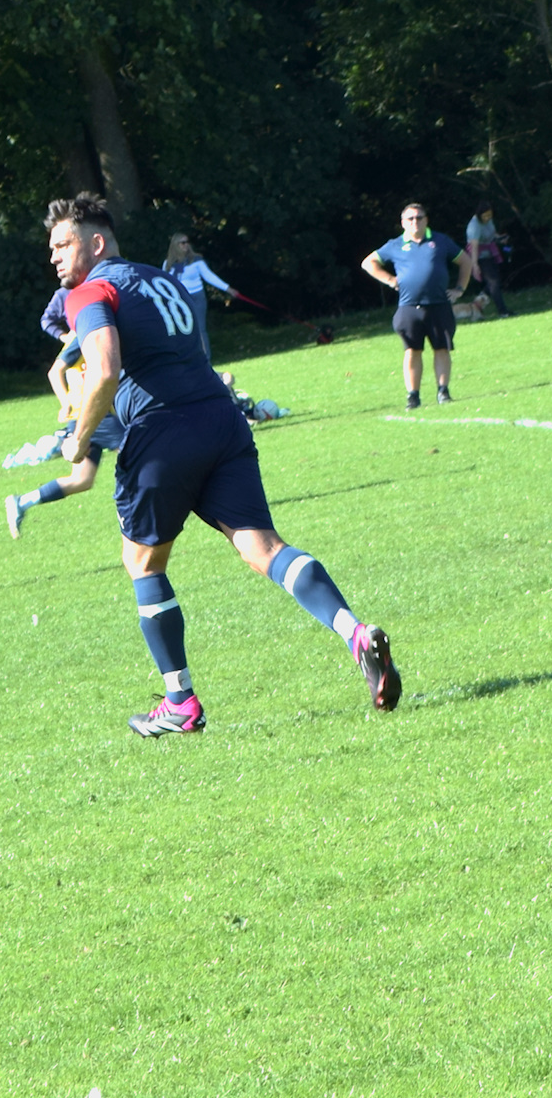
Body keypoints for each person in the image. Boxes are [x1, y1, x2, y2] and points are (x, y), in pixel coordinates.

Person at [47, 192, 400, 734]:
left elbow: (105, 369)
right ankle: (354, 632)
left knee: (144, 564)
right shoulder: (160, 279)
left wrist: (79, 436)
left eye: (63, 243)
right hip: (221, 418)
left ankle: (180, 703)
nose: (55, 256)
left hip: (162, 432)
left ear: (95, 243)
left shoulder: (91, 290)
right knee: (264, 546)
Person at [5, 286, 125, 538]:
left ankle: (22, 502)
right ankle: (135, 511)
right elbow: (55, 371)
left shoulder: (102, 331)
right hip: (91, 411)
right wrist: (65, 403)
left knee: (82, 480)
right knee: (138, 453)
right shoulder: (83, 334)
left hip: (90, 413)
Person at [361, 202, 471, 408]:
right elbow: (368, 263)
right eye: (410, 219)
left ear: (426, 220)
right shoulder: (395, 245)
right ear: (403, 223)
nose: (415, 222)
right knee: (412, 351)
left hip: (439, 305)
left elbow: (465, 261)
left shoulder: (440, 241)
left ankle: (443, 392)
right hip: (409, 307)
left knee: (442, 349)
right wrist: (390, 280)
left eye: (419, 217)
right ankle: (413, 396)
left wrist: (459, 289)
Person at [162, 232, 237, 362]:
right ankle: (188, 359)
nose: (186, 245)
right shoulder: (168, 264)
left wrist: (227, 288)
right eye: (182, 243)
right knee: (182, 330)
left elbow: (209, 276)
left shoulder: (196, 260)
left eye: (187, 242)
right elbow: (164, 283)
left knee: (200, 329)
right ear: (175, 245)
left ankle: (205, 359)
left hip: (197, 297)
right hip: (179, 300)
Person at [464, 203, 512, 317]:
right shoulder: (474, 226)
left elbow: (491, 233)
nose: (488, 218)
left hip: (490, 252)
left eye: (490, 215)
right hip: (479, 256)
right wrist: (475, 265)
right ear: (479, 214)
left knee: (495, 280)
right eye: (485, 216)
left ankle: (481, 297)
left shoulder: (489, 220)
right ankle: (503, 311)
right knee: (494, 282)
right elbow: (474, 246)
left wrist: (500, 238)